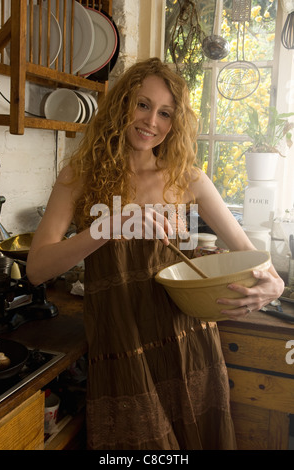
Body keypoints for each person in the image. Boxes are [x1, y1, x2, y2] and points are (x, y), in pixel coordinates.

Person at [26, 58, 284, 450]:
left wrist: (275, 285)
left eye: (165, 113)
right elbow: (37, 270)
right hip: (121, 348)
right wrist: (105, 227)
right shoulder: (79, 177)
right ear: (122, 104)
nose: (152, 122)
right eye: (142, 105)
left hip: (188, 345)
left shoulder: (189, 179)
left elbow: (252, 257)